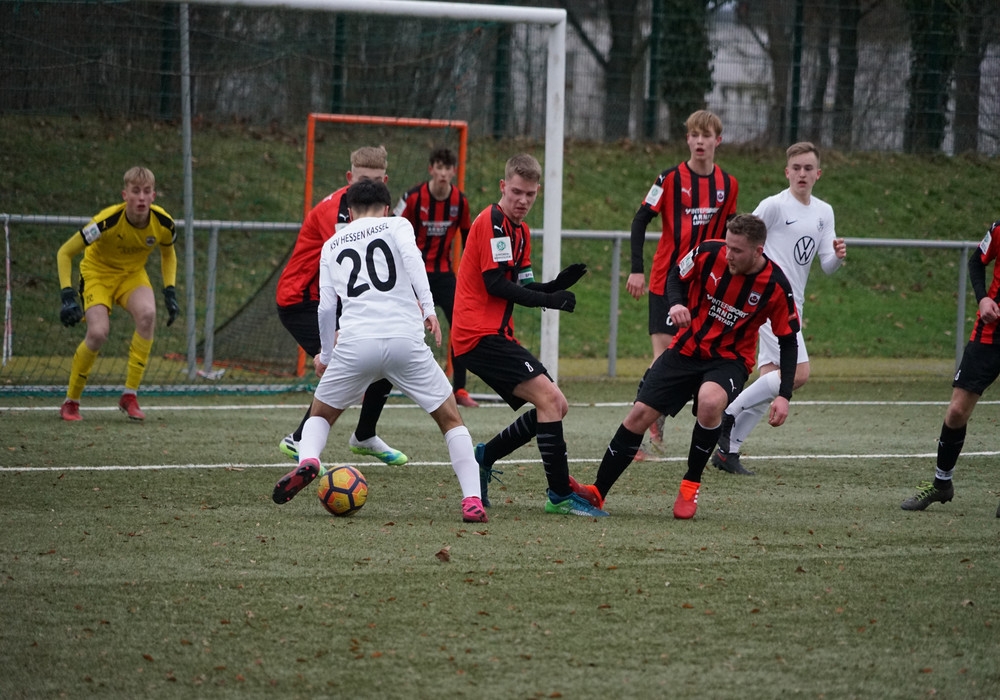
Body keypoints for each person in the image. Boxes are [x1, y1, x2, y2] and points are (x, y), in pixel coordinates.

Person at [271, 180, 487, 523]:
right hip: (404, 340)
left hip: (356, 342)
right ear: (386, 209)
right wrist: (429, 308)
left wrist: (326, 355)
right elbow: (414, 262)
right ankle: (472, 500)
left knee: (320, 416)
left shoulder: (331, 245)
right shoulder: (397, 225)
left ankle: (309, 459)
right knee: (450, 420)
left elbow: (326, 308)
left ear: (349, 212)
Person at [569, 214, 800, 519]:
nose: (729, 254)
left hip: (729, 360)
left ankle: (690, 484)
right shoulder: (709, 252)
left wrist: (784, 394)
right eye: (728, 246)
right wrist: (676, 303)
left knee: (709, 402)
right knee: (639, 414)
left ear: (759, 251)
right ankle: (597, 492)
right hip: (686, 349)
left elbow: (788, 341)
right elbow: (676, 275)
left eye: (737, 250)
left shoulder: (776, 286)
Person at [451, 153, 606, 517]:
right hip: (477, 336)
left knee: (556, 405)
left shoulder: (519, 231)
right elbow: (495, 284)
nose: (523, 200)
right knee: (550, 401)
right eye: (516, 192)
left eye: (530, 194)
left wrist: (553, 286)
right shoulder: (492, 222)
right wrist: (548, 299)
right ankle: (559, 496)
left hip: (494, 335)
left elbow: (522, 284)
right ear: (503, 187)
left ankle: (484, 456)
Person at [711, 142, 847, 475]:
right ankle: (728, 412)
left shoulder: (824, 212)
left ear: (818, 173)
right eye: (796, 168)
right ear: (787, 172)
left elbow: (827, 265)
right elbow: (742, 237)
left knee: (770, 379)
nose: (802, 173)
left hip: (793, 301)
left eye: (808, 168)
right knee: (798, 373)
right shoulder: (774, 206)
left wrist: (837, 256)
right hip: (768, 300)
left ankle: (728, 451)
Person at [275, 145, 406, 468]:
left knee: (389, 347)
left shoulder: (384, 213)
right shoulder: (334, 213)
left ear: (385, 181)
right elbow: (349, 268)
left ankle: (364, 435)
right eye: (362, 180)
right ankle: (299, 439)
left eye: (375, 181)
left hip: (337, 300)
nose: (368, 187)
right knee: (350, 362)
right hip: (301, 300)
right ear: (349, 178)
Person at [627, 110, 739, 449]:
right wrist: (636, 269)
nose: (700, 141)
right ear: (687, 139)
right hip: (667, 279)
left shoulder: (728, 185)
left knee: (703, 353)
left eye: (706, 135)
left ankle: (705, 415)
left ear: (718, 140)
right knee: (664, 354)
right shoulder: (669, 179)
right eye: (694, 135)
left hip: (707, 287)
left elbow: (732, 234)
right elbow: (640, 220)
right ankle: (643, 427)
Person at [56, 166, 179, 422]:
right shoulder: (106, 221)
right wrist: (67, 295)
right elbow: (65, 252)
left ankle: (129, 395)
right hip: (97, 274)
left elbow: (168, 253)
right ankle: (71, 401)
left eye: (146, 191)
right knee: (98, 333)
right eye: (136, 191)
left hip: (131, 275)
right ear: (125, 195)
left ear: (154, 196)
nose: (141, 197)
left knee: (148, 314)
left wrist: (170, 290)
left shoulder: (163, 223)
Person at [901, 219, 1000, 517]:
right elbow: (976, 261)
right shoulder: (999, 230)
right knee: (957, 410)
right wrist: (983, 298)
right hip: (990, 333)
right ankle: (942, 483)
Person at [394, 146, 477, 408]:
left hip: (443, 275)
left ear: (454, 171)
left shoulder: (460, 202)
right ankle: (377, 384)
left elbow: (469, 239)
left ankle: (460, 388)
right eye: (439, 167)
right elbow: (391, 229)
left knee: (461, 326)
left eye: (447, 168)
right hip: (413, 277)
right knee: (397, 326)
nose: (443, 173)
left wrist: (471, 276)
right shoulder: (413, 198)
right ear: (431, 169)